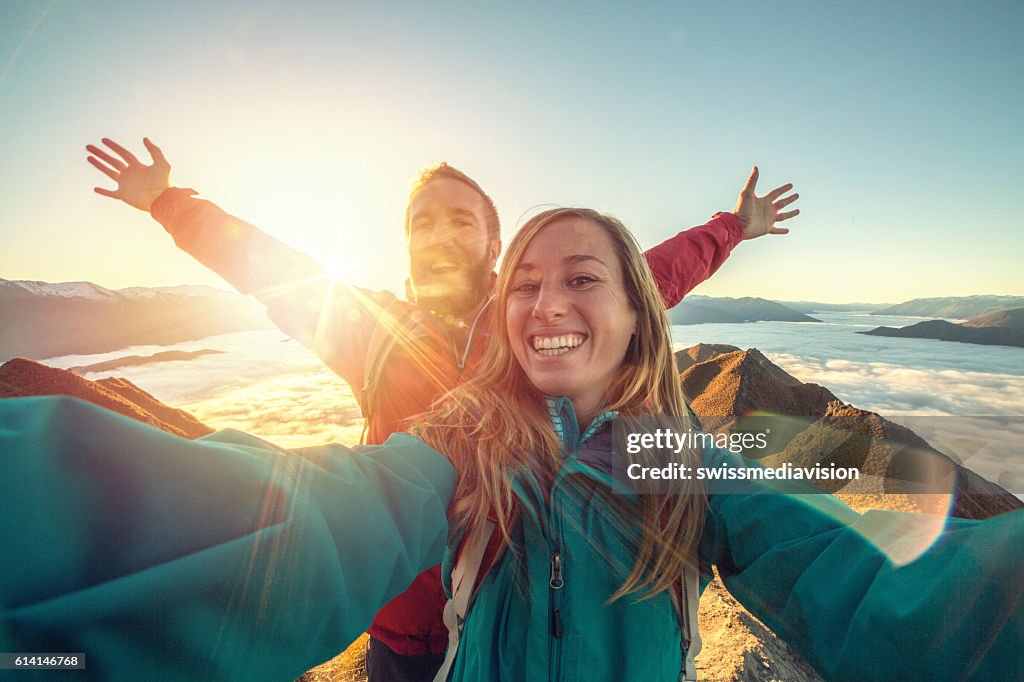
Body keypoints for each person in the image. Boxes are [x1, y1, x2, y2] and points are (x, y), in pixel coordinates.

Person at [1, 208, 1021, 681]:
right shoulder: (455, 445)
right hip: (405, 653)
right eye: (525, 283)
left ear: (635, 317)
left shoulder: (677, 459)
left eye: (582, 278)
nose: (547, 300)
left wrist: (729, 227)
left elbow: (867, 580)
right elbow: (302, 524)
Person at [83, 137, 800, 681]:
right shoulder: (370, 333)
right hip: (401, 630)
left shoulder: (537, 328)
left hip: (507, 617)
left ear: (495, 246)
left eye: (460, 221)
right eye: (422, 224)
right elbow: (264, 262)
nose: (439, 235)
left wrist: (734, 227)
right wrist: (166, 202)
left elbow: (655, 271)